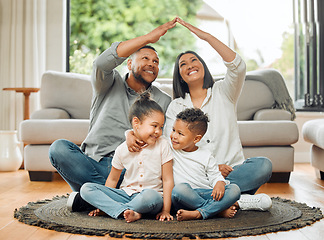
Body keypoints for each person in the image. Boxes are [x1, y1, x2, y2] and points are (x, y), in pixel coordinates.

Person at [126, 17, 272, 211]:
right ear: (180, 76)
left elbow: (238, 66)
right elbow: (170, 144)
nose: (190, 65)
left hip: (230, 172)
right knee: (179, 190)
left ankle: (212, 200)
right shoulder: (176, 106)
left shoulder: (224, 92)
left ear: (203, 65)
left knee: (263, 166)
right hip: (194, 177)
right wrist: (212, 169)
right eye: (183, 64)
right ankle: (233, 201)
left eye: (194, 60)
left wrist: (204, 36)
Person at [49, 19, 177, 211]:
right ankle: (110, 197)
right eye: (145, 58)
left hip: (133, 172)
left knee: (147, 191)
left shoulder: (163, 100)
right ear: (129, 63)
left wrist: (135, 135)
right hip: (94, 164)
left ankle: (94, 197)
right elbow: (101, 63)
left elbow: (163, 141)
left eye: (156, 62)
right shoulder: (108, 83)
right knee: (58, 149)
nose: (152, 64)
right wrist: (149, 38)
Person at [80, 92, 174, 223]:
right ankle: (132, 212)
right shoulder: (122, 149)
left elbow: (168, 180)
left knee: (151, 196)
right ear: (136, 122)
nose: (158, 131)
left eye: (161, 127)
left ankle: (114, 210)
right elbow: (112, 180)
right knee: (86, 189)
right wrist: (102, 201)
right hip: (125, 195)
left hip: (150, 198)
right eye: (154, 126)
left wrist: (166, 210)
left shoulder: (163, 145)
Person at [170, 108, 241, 221]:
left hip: (205, 193)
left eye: (180, 133)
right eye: (173, 130)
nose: (174, 136)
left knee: (234, 189)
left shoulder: (205, 155)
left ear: (196, 138)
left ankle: (198, 213)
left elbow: (215, 176)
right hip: (183, 197)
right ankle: (216, 211)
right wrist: (130, 135)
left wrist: (219, 183)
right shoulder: (168, 148)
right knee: (179, 189)